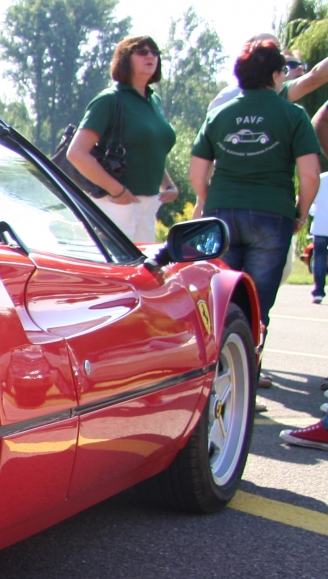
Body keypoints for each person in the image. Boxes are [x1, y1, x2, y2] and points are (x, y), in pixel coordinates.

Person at [192, 38, 323, 386]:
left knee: (220, 303)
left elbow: (196, 173)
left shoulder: (219, 113)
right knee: (256, 307)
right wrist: (301, 212)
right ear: (278, 75)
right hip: (271, 214)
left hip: (221, 214)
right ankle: (245, 384)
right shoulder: (293, 115)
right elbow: (309, 175)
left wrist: (211, 198)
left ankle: (215, 381)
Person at [66, 36, 180, 243]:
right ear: (124, 59)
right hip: (116, 205)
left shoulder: (154, 101)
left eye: (154, 52)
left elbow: (145, 149)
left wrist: (168, 185)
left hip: (149, 205)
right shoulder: (109, 99)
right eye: (142, 52)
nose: (150, 56)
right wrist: (118, 192)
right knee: (114, 273)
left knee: (142, 273)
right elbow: (76, 153)